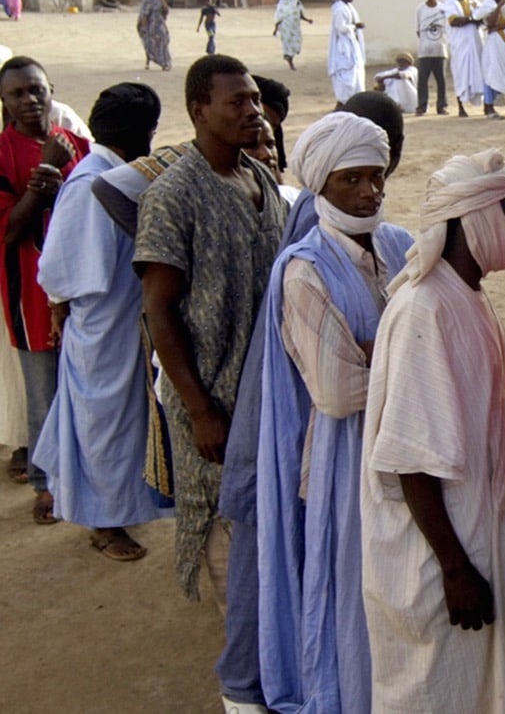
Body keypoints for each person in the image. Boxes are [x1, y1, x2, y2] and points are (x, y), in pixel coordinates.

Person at [133, 56, 286, 714]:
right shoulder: (175, 193)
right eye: (236, 102)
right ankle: (243, 686)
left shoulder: (259, 177)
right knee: (227, 536)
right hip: (214, 402)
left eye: (254, 99)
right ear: (198, 109)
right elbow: (158, 309)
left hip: (268, 397)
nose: (251, 110)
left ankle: (267, 668)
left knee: (267, 532)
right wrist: (199, 410)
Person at [361, 149, 505, 713]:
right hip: (442, 553)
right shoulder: (423, 310)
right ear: (475, 219)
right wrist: (456, 569)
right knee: (440, 690)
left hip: (479, 528)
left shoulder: (468, 295)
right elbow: (411, 458)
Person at [257, 113, 413, 713]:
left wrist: (376, 348)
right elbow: (338, 391)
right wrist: (407, 352)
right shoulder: (305, 269)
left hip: (409, 441)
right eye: (353, 180)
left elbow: (441, 332)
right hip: (345, 458)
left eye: (377, 177)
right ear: (321, 184)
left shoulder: (400, 243)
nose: (370, 192)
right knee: (357, 590)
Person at [31, 83, 168, 560]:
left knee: (121, 423)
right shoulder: (90, 182)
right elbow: (57, 270)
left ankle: (98, 503)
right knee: (103, 427)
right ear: (144, 133)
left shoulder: (120, 174)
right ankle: (104, 524)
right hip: (101, 329)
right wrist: (58, 311)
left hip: (124, 325)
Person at [0, 56, 91, 523]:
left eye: (36, 90)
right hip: (29, 297)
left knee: (89, 386)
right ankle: (45, 483)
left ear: (51, 90)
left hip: (84, 293)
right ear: (5, 101)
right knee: (44, 393)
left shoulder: (77, 144)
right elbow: (9, 230)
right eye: (18, 93)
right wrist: (45, 176)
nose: (30, 100)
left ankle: (88, 476)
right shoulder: (3, 153)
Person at [442, 0, 485, 116]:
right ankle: (461, 107)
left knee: (479, 72)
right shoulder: (449, 4)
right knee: (460, 74)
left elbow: (483, 20)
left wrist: (472, 19)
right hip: (459, 45)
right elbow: (454, 21)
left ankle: (486, 105)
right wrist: (472, 19)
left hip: (475, 42)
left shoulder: (475, 3)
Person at [414, 0, 450, 116]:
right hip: (424, 51)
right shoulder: (420, 9)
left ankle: (442, 106)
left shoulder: (443, 9)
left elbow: (447, 28)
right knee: (422, 80)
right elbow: (418, 30)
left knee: (441, 80)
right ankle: (422, 105)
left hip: (440, 49)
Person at [328, 0, 367, 106]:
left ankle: (355, 99)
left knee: (356, 73)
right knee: (346, 74)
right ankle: (343, 101)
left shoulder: (349, 7)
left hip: (351, 45)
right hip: (344, 48)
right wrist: (355, 26)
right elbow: (341, 28)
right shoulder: (340, 10)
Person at [272, 0, 312, 71]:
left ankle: (290, 57)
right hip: (285, 28)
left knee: (296, 44)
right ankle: (290, 61)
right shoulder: (281, 4)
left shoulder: (296, 2)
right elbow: (278, 18)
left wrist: (307, 20)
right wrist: (275, 29)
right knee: (287, 45)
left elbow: (300, 14)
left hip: (295, 28)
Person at [138, 0, 172, 71]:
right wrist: (144, 28)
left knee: (164, 42)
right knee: (151, 44)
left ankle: (164, 63)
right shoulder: (147, 0)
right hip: (151, 25)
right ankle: (149, 61)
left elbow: (166, 10)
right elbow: (144, 15)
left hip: (160, 24)